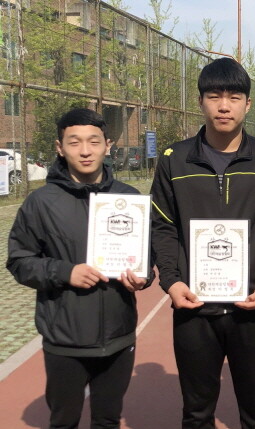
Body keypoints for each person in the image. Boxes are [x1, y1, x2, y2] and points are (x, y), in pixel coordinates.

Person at [150, 57, 255, 429]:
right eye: (214, 96)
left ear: (248, 104)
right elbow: (163, 227)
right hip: (193, 307)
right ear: (200, 101)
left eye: (234, 97)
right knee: (196, 413)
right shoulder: (174, 160)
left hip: (252, 305)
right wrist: (172, 282)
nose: (224, 106)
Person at [6, 108, 150, 429]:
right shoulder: (40, 202)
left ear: (107, 145)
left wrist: (143, 276)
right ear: (60, 148)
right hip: (65, 339)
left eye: (94, 142)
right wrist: (64, 272)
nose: (85, 151)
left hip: (118, 335)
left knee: (107, 420)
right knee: (64, 421)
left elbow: (147, 256)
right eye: (74, 142)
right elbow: (19, 261)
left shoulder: (129, 198)